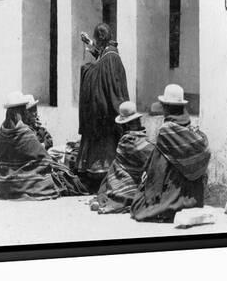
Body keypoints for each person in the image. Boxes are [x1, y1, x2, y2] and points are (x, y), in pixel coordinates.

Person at [0, 91, 87, 199]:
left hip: (4, 180)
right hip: (25, 182)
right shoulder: (24, 132)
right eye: (24, 110)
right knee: (68, 179)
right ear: (20, 112)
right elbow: (44, 159)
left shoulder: (3, 131)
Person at [130, 84, 211, 223]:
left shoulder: (166, 131)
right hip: (195, 197)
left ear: (166, 107)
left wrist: (150, 191)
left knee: (138, 207)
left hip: (174, 193)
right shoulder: (192, 130)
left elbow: (158, 168)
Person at [77, 23, 130, 192]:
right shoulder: (109, 53)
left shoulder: (111, 57)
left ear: (101, 39)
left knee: (105, 149)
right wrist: (90, 44)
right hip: (102, 110)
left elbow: (109, 80)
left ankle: (105, 179)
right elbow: (101, 61)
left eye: (95, 40)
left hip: (105, 111)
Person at [92, 101, 154, 214]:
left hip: (127, 180)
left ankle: (112, 193)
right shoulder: (132, 141)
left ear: (124, 125)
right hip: (134, 181)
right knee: (116, 165)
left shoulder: (129, 140)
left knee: (114, 166)